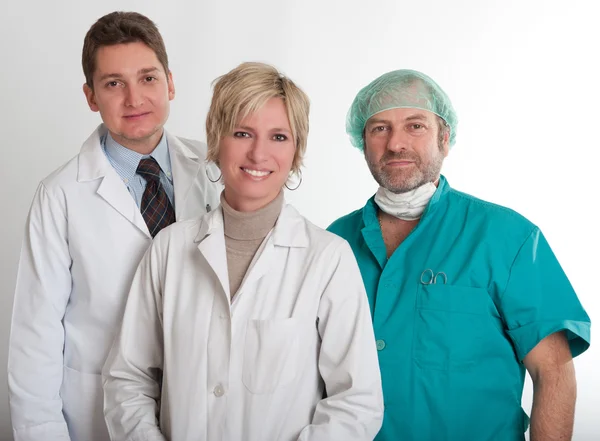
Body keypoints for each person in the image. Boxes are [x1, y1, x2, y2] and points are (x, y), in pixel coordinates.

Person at [102, 62, 384, 441]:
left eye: (279, 137)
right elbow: (128, 380)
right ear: (217, 141)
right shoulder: (168, 249)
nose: (258, 153)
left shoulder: (328, 259)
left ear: (296, 150)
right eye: (242, 133)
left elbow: (356, 402)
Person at [327, 69, 591, 441]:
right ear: (362, 140)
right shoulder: (333, 242)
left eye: (415, 126)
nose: (396, 144)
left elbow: (554, 373)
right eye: (379, 128)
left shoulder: (507, 238)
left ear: (445, 138)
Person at [8, 11, 221, 441]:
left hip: (202, 408)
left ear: (171, 83)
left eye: (147, 78)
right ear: (90, 96)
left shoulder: (216, 170)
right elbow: (35, 340)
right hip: (95, 417)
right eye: (113, 83)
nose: (134, 98)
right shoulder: (60, 195)